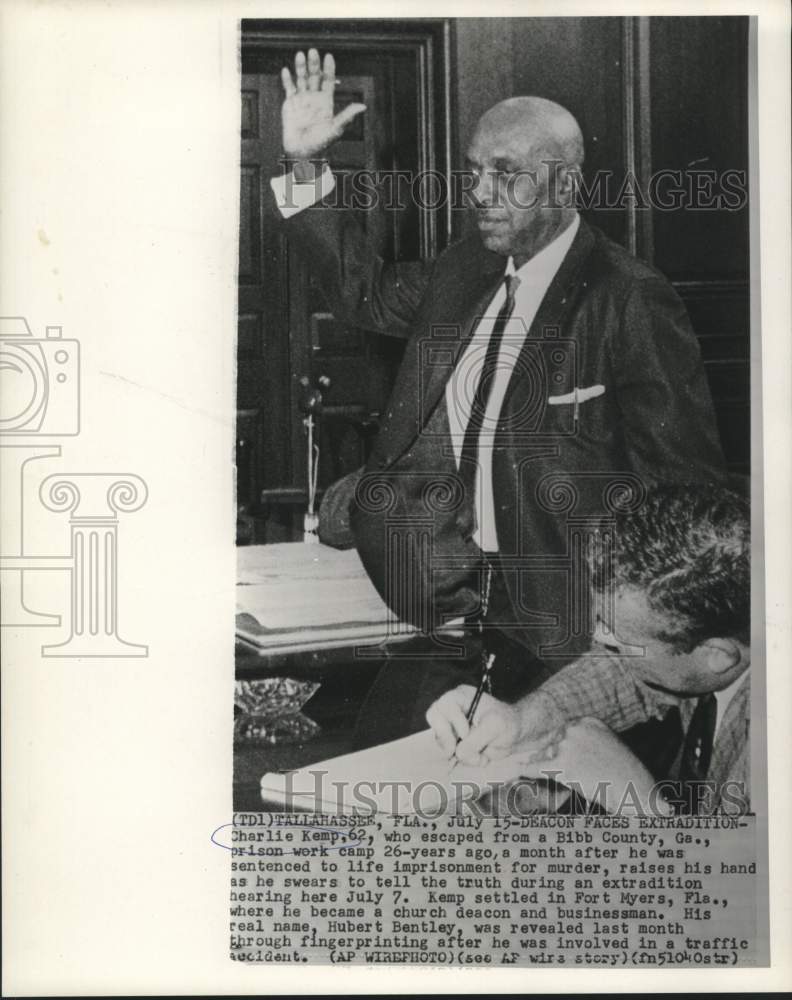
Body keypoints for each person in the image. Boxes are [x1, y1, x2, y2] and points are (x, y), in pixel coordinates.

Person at [266, 49, 726, 742]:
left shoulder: (628, 297)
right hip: (452, 610)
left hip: (570, 630)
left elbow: (684, 492)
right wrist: (305, 166)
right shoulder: (466, 268)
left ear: (565, 185)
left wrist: (637, 634)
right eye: (475, 172)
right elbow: (365, 292)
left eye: (506, 176)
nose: (479, 193)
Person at [427, 484, 751, 815]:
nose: (597, 636)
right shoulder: (712, 634)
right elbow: (623, 673)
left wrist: (639, 801)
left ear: (718, 656)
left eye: (619, 637)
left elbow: (731, 865)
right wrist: (525, 719)